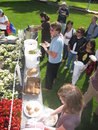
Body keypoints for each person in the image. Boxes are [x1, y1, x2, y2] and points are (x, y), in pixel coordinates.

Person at [41, 22, 63, 90]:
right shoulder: (58, 36)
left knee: (49, 75)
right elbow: (55, 48)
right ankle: (54, 79)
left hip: (53, 61)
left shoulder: (57, 40)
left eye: (52, 30)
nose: (50, 31)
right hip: (57, 60)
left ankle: (48, 87)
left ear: (57, 31)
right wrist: (49, 45)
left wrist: (45, 49)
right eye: (50, 29)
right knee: (54, 72)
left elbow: (53, 55)